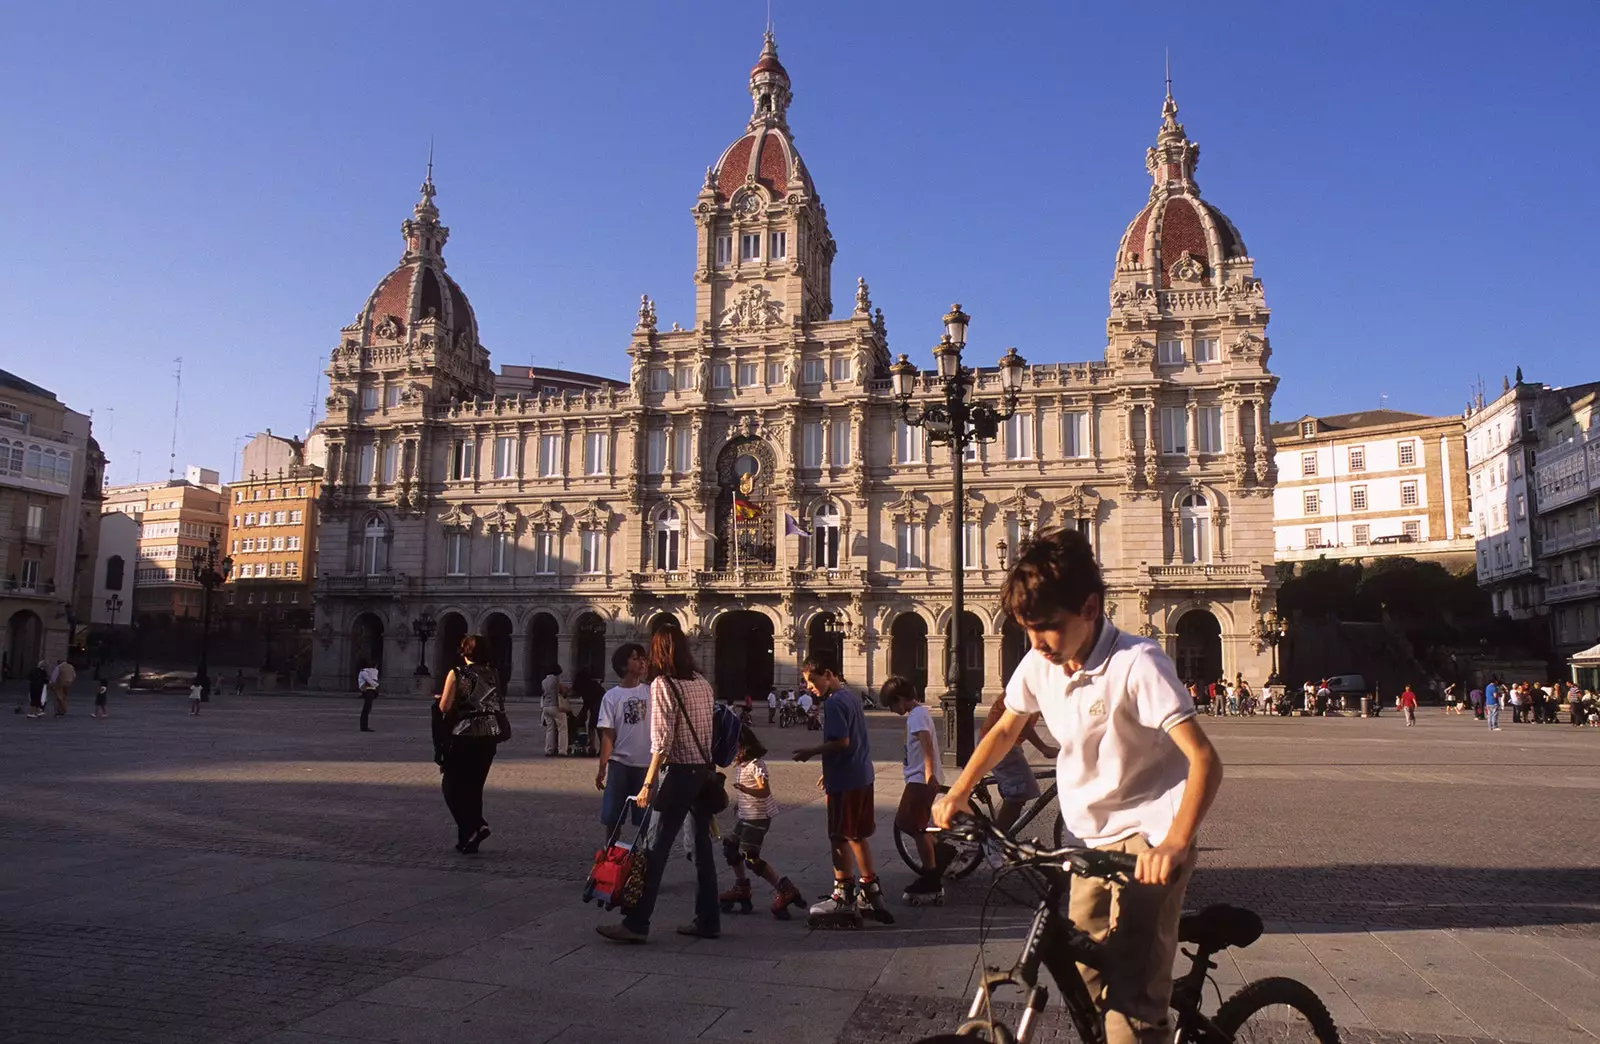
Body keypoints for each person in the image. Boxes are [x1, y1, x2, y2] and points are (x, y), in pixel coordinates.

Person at [933, 528, 1223, 1044]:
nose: (1037, 643)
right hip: (1090, 837)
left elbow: (1204, 759)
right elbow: (1005, 728)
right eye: (1027, 630)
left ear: (1090, 607)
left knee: (1130, 1006)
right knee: (1085, 978)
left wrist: (1176, 843)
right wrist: (960, 791)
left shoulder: (1138, 663)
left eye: (1047, 628)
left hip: (1151, 836)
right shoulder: (1040, 665)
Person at [598, 621, 721, 944]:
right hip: (702, 774)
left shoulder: (663, 685)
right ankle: (709, 920)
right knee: (701, 851)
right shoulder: (702, 682)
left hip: (678, 774)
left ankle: (636, 923)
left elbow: (662, 742)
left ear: (658, 651)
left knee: (654, 849)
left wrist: (648, 783)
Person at [793, 649, 893, 927]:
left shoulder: (835, 702)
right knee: (857, 835)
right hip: (861, 774)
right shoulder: (851, 696)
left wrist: (811, 751)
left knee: (838, 836)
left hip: (846, 780)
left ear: (828, 675)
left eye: (813, 682)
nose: (810, 688)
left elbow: (842, 742)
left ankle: (842, 895)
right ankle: (871, 890)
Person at [718, 724, 804, 918]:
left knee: (750, 857)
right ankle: (741, 887)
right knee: (730, 846)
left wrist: (744, 790)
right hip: (746, 816)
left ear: (743, 746)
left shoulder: (756, 765)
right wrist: (740, 803)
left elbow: (763, 791)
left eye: (733, 747)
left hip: (757, 818)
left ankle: (784, 888)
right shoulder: (743, 765)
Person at [437, 634, 505, 854]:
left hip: (464, 734)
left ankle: (474, 826)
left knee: (450, 786)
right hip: (489, 735)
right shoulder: (494, 673)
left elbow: (445, 707)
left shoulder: (457, 673)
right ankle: (467, 840)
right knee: (474, 788)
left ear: (465, 650)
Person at [884, 675, 945, 905]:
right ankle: (939, 854)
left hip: (920, 779)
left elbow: (927, 743)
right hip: (919, 777)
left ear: (900, 699)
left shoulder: (917, 715)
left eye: (891, 705)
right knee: (911, 824)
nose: (891, 710)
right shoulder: (919, 713)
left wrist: (929, 774)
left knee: (913, 825)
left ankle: (931, 876)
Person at [981, 687, 1060, 855]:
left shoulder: (1042, 689)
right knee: (1019, 793)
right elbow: (1021, 723)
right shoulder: (1027, 687)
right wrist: (1044, 748)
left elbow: (1054, 718)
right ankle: (993, 844)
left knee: (1016, 795)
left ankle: (1001, 834)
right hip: (999, 744)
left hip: (1009, 745)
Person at [596, 643, 651, 838]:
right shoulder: (611, 697)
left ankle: (643, 861)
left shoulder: (652, 692)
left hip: (647, 765)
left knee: (646, 820)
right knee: (613, 817)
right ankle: (609, 854)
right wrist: (603, 766)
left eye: (643, 658)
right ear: (622, 665)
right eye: (635, 658)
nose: (642, 662)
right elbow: (608, 735)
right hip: (620, 763)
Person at [573, 671, 605, 756]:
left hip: (598, 707)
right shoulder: (593, 685)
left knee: (593, 727)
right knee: (597, 727)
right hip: (600, 706)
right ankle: (597, 748)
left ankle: (594, 748)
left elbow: (587, 703)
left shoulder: (586, 687)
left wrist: (582, 714)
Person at [542, 665, 570, 756]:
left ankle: (548, 749)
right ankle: (562, 750)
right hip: (556, 706)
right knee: (562, 728)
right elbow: (562, 690)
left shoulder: (544, 681)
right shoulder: (556, 680)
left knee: (550, 729)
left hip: (546, 706)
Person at [357, 660, 379, 732]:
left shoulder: (373, 671)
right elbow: (369, 680)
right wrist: (376, 685)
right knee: (366, 709)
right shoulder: (364, 672)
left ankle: (364, 726)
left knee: (367, 708)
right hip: (367, 690)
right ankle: (363, 726)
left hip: (371, 690)